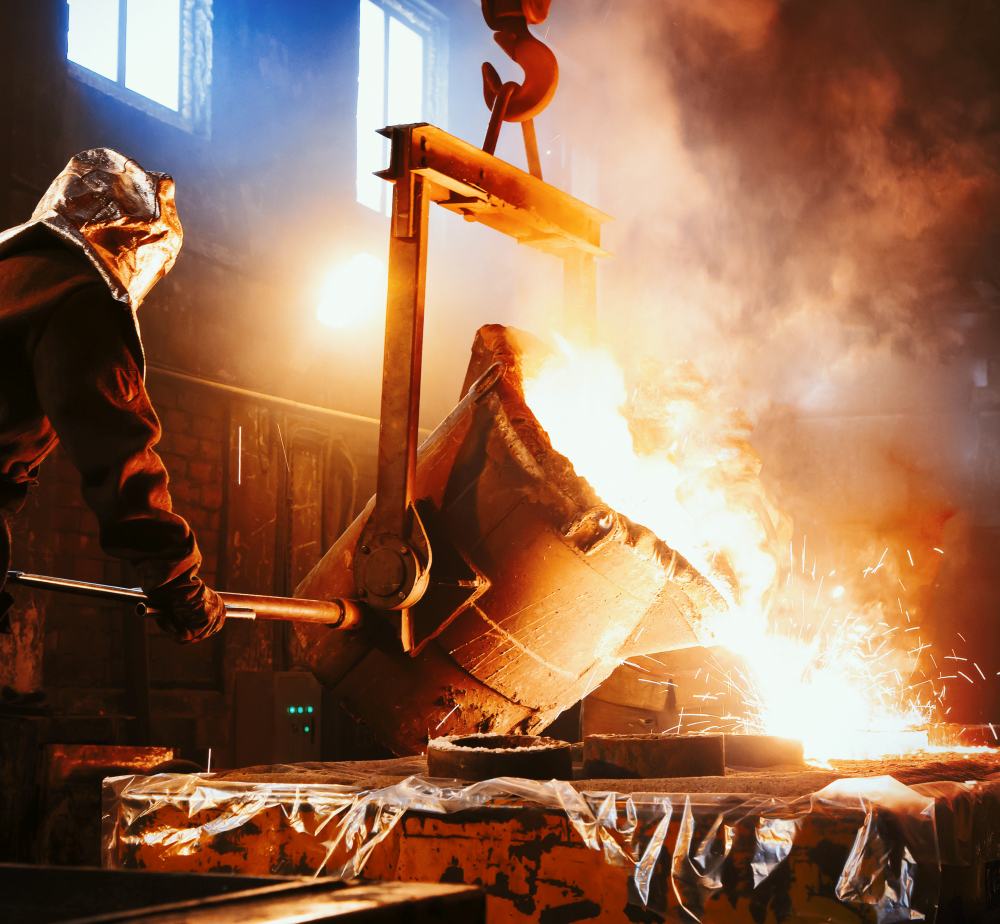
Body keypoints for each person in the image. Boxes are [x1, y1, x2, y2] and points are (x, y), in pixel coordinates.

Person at [0, 148, 224, 643]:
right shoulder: (75, 298)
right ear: (134, 244)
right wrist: (176, 577)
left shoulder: (14, 278)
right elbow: (115, 447)